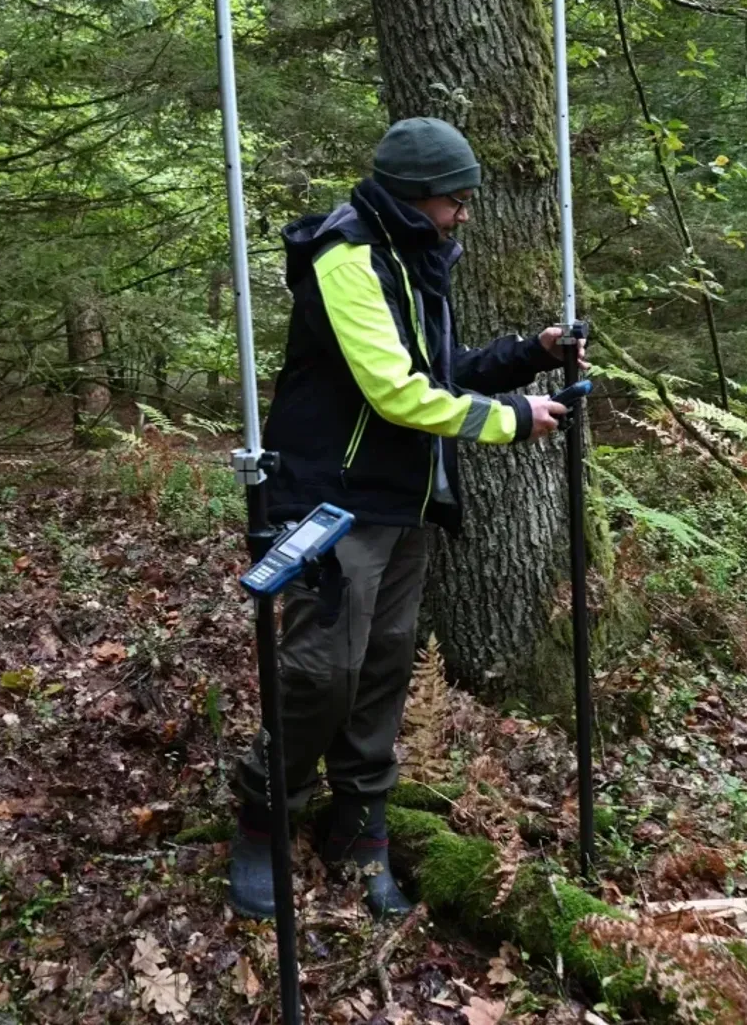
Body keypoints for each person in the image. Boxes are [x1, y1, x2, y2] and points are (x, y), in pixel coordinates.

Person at [230, 117, 584, 919]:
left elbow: (439, 371)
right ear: (414, 196)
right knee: (323, 670)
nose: (463, 214)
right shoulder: (348, 254)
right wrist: (510, 420)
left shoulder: (415, 255)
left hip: (403, 499)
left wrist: (531, 352)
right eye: (454, 199)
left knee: (385, 665)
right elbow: (394, 391)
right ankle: (264, 815)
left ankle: (361, 826)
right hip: (332, 498)